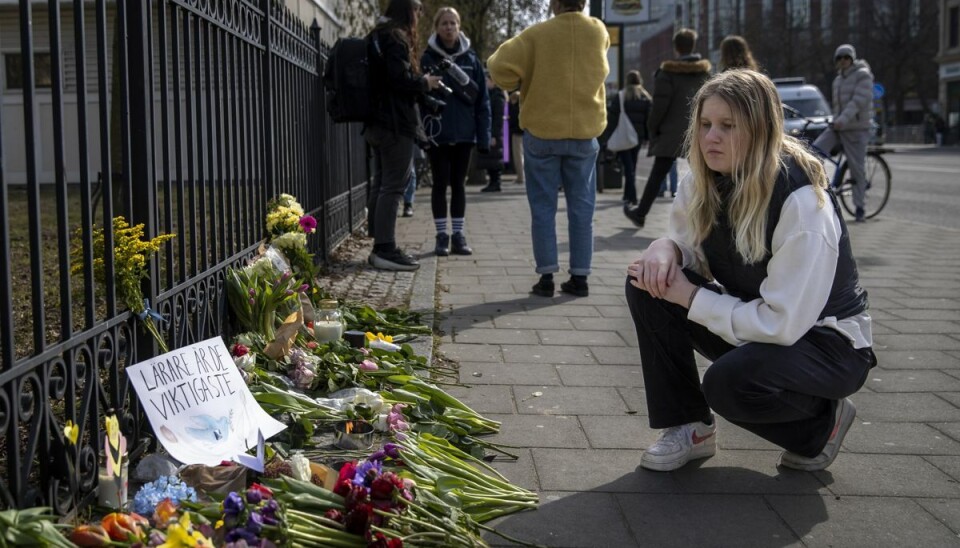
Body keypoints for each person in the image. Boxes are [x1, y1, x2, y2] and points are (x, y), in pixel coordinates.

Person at [624, 69, 876, 473]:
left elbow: (782, 325)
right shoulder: (703, 181)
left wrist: (689, 297)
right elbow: (688, 249)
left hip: (828, 345)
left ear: (760, 130)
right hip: (763, 318)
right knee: (646, 283)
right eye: (705, 124)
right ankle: (689, 427)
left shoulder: (802, 201)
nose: (710, 137)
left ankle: (821, 426)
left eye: (727, 126)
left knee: (727, 385)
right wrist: (663, 248)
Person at [488, 0, 609, 298]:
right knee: (582, 208)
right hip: (584, 130)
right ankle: (580, 278)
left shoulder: (537, 34)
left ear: (553, 3)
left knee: (543, 208)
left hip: (542, 131)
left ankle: (546, 278)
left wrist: (520, 79)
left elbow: (498, 65)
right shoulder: (597, 30)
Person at [365, 0, 443, 270]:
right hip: (395, 124)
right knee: (394, 185)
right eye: (418, 9)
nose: (420, 15)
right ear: (408, 11)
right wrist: (425, 82)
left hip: (377, 122)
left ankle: (378, 243)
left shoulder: (376, 35)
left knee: (381, 182)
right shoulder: (395, 39)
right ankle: (385, 248)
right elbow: (398, 81)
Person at [421, 6, 491, 256]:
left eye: (453, 23)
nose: (449, 27)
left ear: (459, 27)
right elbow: (419, 97)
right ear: (437, 28)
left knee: (459, 185)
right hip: (438, 132)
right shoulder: (427, 59)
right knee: (439, 184)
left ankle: (458, 236)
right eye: (444, 23)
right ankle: (442, 236)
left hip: (464, 133)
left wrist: (484, 136)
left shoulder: (471, 59)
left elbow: (483, 101)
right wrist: (421, 134)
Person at [625, 28, 711, 228]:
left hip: (671, 133)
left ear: (676, 48)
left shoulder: (668, 73)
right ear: (693, 46)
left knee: (657, 174)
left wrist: (652, 127)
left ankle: (640, 213)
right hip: (696, 131)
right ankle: (713, 217)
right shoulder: (704, 73)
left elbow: (660, 106)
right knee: (704, 175)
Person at [812, 44, 874, 222]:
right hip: (839, 126)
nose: (843, 61)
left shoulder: (863, 75)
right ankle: (817, 187)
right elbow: (838, 107)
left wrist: (842, 120)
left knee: (856, 169)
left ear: (852, 59)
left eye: (846, 57)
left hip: (856, 128)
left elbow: (858, 102)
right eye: (839, 58)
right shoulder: (838, 80)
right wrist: (835, 120)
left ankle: (860, 208)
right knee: (813, 151)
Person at [606, 70, 651, 205]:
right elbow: (649, 120)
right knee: (633, 165)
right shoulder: (645, 97)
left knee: (627, 166)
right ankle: (627, 195)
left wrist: (608, 136)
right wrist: (647, 136)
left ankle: (632, 196)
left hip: (624, 136)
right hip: (638, 137)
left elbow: (612, 117)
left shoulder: (621, 96)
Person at [481, 70, 508, 193]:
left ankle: (495, 182)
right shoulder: (493, 95)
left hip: (495, 133)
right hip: (493, 132)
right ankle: (493, 181)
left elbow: (497, 118)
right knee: (492, 159)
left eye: (487, 80)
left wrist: (494, 135)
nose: (485, 83)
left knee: (495, 160)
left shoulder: (497, 97)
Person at [508, 91, 524, 184]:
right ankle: (522, 176)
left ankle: (521, 177)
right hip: (524, 132)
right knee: (523, 156)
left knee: (518, 156)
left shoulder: (515, 108)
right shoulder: (522, 106)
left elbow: (513, 121)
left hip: (517, 133)